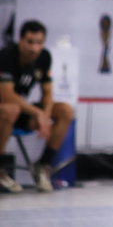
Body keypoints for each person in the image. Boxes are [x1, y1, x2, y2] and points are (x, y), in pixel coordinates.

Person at [0, 21, 75, 193]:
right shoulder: (6, 56)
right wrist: (39, 113)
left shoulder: (44, 57)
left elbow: (47, 93)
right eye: (30, 42)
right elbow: (7, 95)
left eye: (39, 42)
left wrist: (45, 115)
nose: (35, 48)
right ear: (20, 40)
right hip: (4, 110)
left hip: (22, 112)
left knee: (65, 110)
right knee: (11, 109)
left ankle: (42, 166)